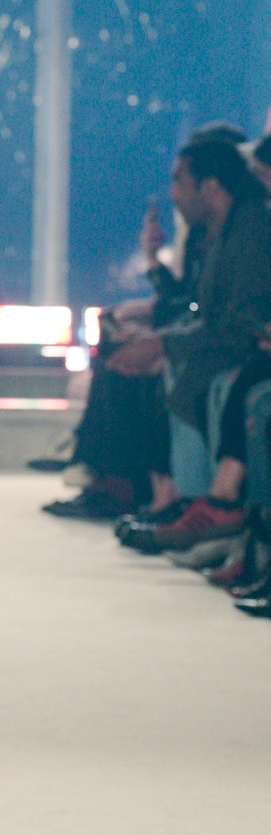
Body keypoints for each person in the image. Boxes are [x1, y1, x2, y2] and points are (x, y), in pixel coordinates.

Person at [113, 136, 271, 554]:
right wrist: (161, 336)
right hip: (235, 342)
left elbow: (235, 323)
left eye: (179, 181)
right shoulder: (221, 230)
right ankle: (187, 502)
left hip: (242, 347)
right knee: (171, 365)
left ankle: (208, 507)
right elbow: (201, 310)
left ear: (211, 186)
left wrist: (164, 343)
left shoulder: (251, 227)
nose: (173, 194)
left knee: (218, 380)